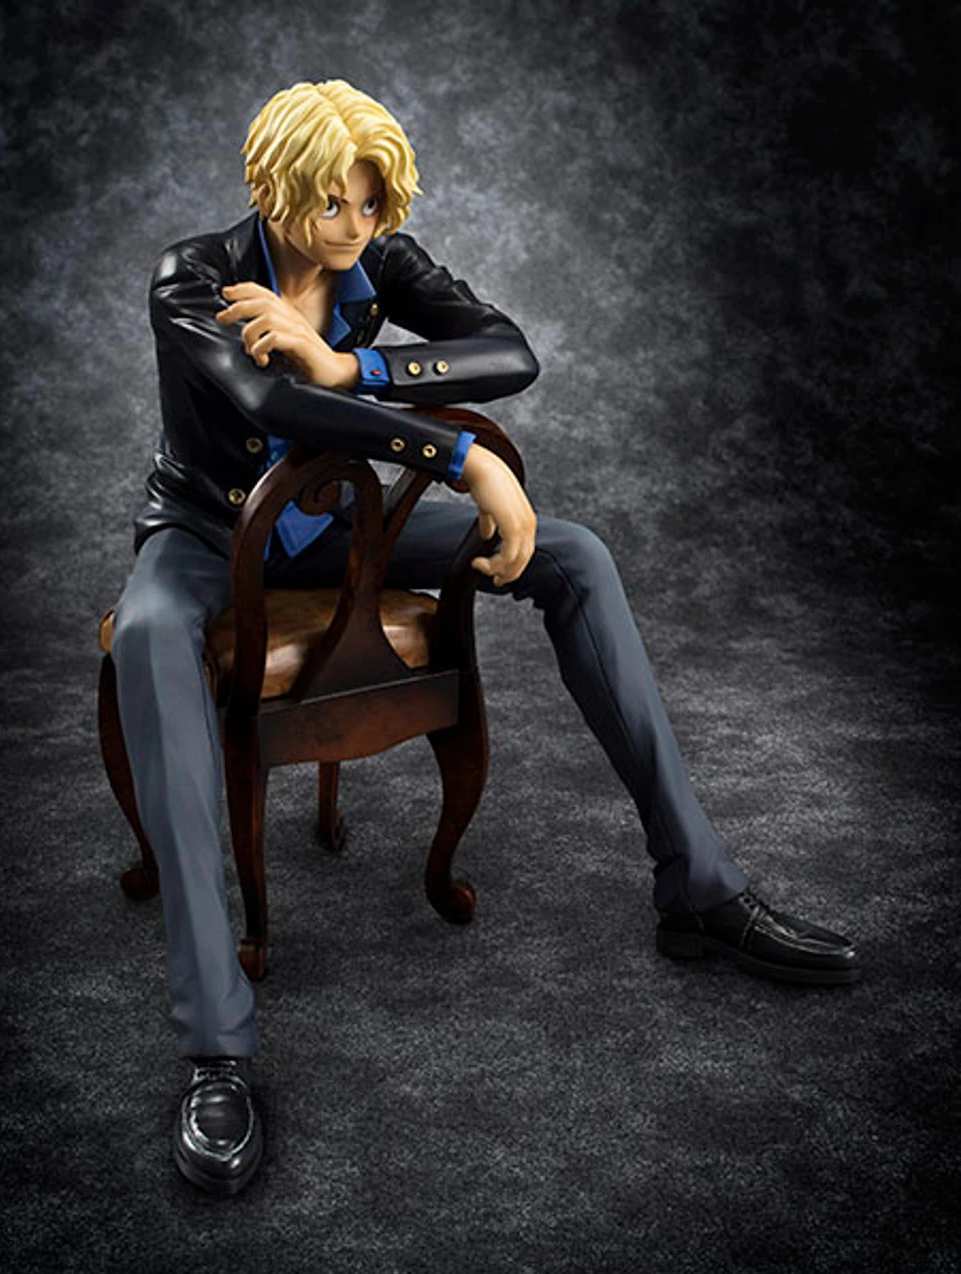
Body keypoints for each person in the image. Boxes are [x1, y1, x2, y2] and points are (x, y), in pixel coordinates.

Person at [109, 79, 861, 1197]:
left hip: (339, 525)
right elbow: (268, 408)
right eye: (332, 203)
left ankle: (698, 889)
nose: (356, 225)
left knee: (577, 554)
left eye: (372, 203)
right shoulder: (193, 276)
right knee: (146, 632)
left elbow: (510, 354)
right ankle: (216, 1045)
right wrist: (462, 457)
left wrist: (354, 367)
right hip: (210, 536)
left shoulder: (381, 262)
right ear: (270, 188)